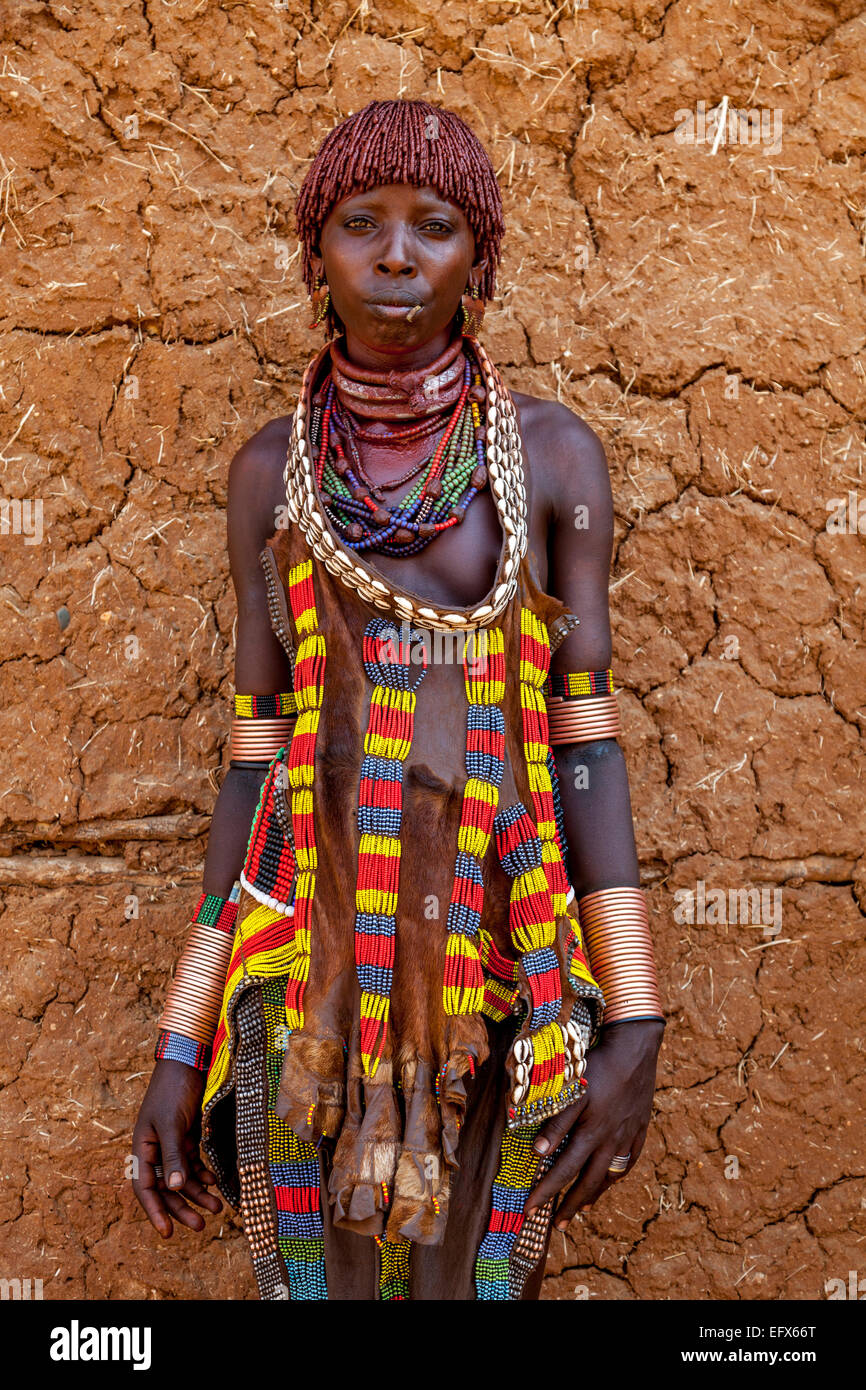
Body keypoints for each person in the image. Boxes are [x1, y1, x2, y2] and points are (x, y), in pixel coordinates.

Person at [131, 98, 665, 1301]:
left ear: (480, 259)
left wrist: (633, 1018)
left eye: (434, 226)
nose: (394, 255)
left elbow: (583, 741)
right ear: (312, 254)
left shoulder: (553, 460)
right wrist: (182, 1036)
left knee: (469, 1285)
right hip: (305, 953)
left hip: (501, 946)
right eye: (358, 224)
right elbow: (254, 754)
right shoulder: (273, 473)